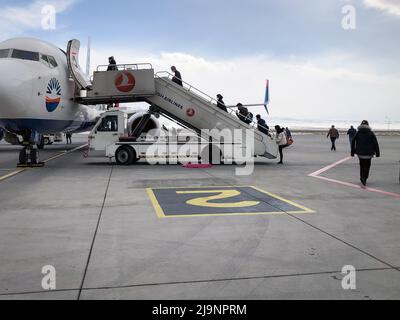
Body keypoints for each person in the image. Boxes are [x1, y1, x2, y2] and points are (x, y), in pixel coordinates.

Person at [351, 120, 380, 186]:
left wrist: (353, 152)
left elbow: (353, 141)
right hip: (369, 153)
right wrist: (377, 153)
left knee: (362, 165)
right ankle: (365, 178)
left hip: (360, 153)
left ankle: (362, 177)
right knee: (367, 165)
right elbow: (375, 143)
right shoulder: (371, 133)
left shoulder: (358, 133)